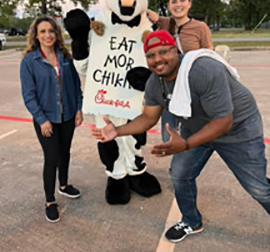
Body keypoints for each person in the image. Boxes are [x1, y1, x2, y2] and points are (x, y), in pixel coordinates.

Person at [92, 30, 270, 243]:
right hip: (195, 126)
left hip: (238, 128)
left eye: (164, 52)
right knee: (180, 174)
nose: (158, 59)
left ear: (175, 50)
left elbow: (224, 121)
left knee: (258, 187)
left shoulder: (203, 70)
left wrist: (185, 144)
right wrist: (118, 131)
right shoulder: (154, 83)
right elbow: (149, 118)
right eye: (151, 55)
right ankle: (191, 221)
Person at [20, 15, 83, 223]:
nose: (48, 35)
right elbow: (29, 95)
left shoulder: (65, 56)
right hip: (46, 119)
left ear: (56, 34)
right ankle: (50, 201)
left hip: (67, 115)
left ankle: (64, 185)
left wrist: (78, 109)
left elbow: (75, 85)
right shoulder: (30, 61)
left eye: (51, 31)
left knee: (65, 151)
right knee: (52, 157)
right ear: (36, 36)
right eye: (43, 32)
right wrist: (41, 119)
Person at [147, 0, 213, 142]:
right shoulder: (165, 24)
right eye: (173, 1)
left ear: (189, 4)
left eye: (182, 0)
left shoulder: (200, 27)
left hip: (192, 88)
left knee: (192, 132)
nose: (178, 5)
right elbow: (145, 11)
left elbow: (209, 55)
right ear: (169, 6)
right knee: (168, 136)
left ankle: (185, 160)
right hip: (170, 89)